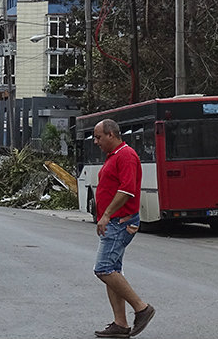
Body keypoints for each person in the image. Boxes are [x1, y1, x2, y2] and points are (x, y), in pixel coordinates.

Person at [91, 119, 155, 338]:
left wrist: (107, 214)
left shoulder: (126, 155)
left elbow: (127, 190)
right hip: (115, 222)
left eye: (99, 137)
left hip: (120, 222)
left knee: (104, 269)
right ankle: (120, 323)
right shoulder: (114, 155)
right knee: (113, 271)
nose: (96, 141)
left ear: (111, 134)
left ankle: (142, 308)